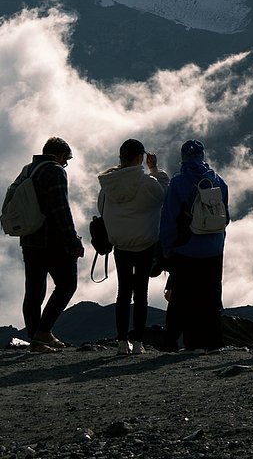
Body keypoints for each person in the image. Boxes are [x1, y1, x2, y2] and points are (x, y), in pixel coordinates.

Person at [97, 139, 169, 355]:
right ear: (140, 158)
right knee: (141, 293)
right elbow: (164, 193)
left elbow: (101, 208)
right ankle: (138, 343)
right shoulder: (147, 183)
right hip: (145, 244)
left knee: (123, 292)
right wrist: (154, 169)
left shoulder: (109, 184)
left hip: (120, 244)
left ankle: (121, 342)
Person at [158, 140, 229, 351]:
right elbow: (226, 217)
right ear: (202, 156)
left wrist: (167, 249)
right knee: (211, 296)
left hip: (186, 249)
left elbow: (169, 219)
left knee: (181, 297)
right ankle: (213, 342)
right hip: (214, 249)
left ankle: (171, 342)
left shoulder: (178, 183)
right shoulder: (218, 181)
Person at [18, 137, 84, 353]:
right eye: (66, 160)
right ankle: (43, 332)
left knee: (34, 290)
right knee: (67, 284)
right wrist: (73, 240)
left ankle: (35, 341)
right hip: (52, 241)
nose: (66, 164)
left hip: (29, 239)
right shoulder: (55, 171)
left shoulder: (29, 170)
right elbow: (60, 209)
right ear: (61, 155)